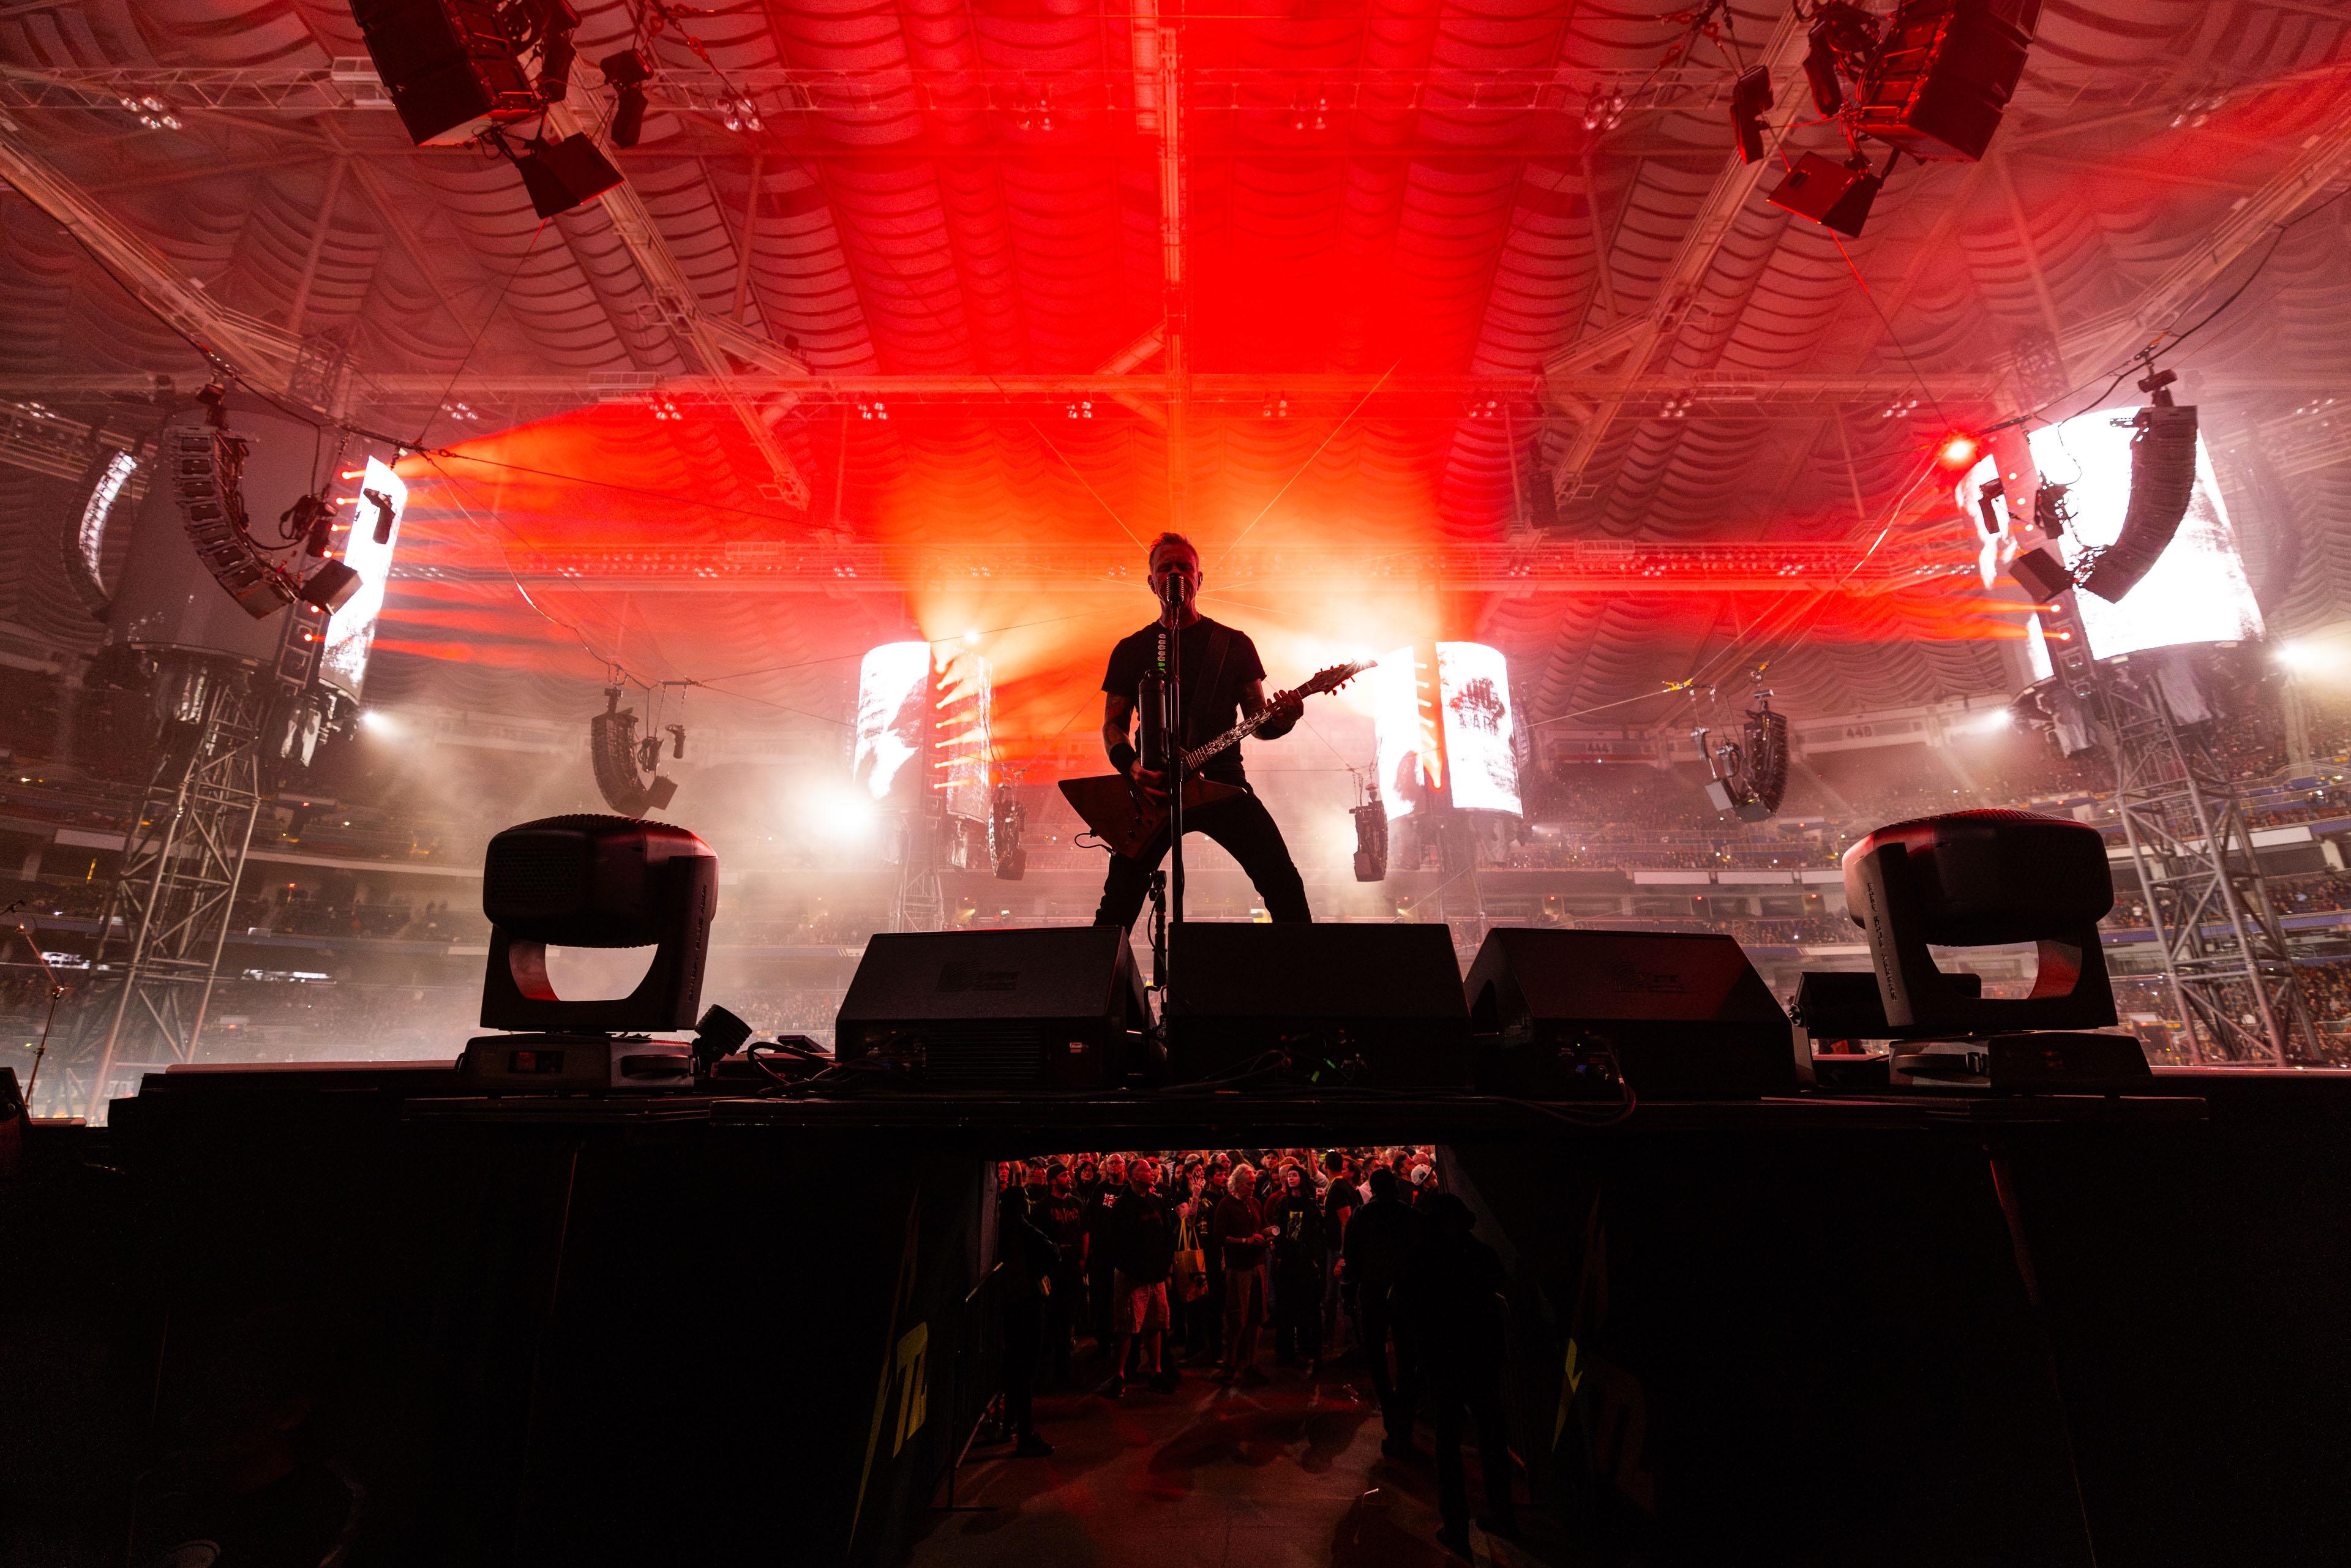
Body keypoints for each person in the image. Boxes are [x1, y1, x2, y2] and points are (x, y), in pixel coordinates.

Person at [1090, 533, 1311, 931]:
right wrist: (1133, 769)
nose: (1176, 573)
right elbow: (1113, 726)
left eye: (1185, 567)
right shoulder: (1131, 649)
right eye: (1166, 567)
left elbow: (1258, 724)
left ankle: (1304, 971)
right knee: (1117, 909)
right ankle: (1099, 974)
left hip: (1223, 782)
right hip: (1152, 790)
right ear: (1151, 582)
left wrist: (1286, 719)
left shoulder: (1234, 645)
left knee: (1284, 886)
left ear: (1199, 578)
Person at [1397, 1192, 1517, 1555]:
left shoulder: (1420, 1257)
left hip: (1442, 1358)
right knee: (1492, 1434)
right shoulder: (1481, 1253)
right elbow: (1499, 1291)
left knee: (1447, 1441)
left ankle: (1455, 1526)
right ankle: (1503, 1514)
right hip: (1482, 1355)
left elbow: (1406, 1306)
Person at [1343, 1166, 1420, 1457]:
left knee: (1377, 1358)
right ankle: (1404, 1422)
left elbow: (1351, 1257)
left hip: (1372, 1291)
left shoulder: (1361, 1215)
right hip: (1404, 1292)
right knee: (1408, 1358)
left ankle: (1391, 1416)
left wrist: (1349, 1294)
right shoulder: (1410, 1215)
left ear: (1372, 1189)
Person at [1102, 1155, 1183, 1397]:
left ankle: (1156, 1372)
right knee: (1126, 1327)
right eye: (1148, 1171)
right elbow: (1116, 1244)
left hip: (1155, 1277)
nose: (1153, 1174)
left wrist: (1164, 1267)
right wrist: (1135, 1270)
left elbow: (1166, 1234)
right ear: (1135, 1176)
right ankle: (1120, 1375)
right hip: (1132, 1277)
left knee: (1156, 1325)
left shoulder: (1155, 1201)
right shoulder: (1122, 1206)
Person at [996, 1163, 1059, 1457]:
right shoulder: (1025, 1231)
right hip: (1028, 1305)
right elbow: (1052, 1254)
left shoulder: (998, 1232)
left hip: (1008, 1306)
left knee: (1012, 1368)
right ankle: (1025, 1433)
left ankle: (1009, 1422)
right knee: (1026, 1371)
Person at [1213, 1163, 1273, 1383]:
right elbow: (1220, 1237)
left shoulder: (1255, 1203)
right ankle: (1230, 1365)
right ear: (1237, 1184)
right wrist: (1245, 1241)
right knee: (1237, 1318)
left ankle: (1251, 1363)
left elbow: (1262, 1226)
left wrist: (1268, 1235)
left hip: (1258, 1265)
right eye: (1249, 1184)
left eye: (1254, 1184)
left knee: (1257, 1317)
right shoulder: (1226, 1205)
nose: (1253, 1187)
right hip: (1239, 1268)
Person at [1268, 1163, 1329, 1375]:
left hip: (1306, 1263)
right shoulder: (1282, 1203)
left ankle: (1307, 1350)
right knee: (1286, 1308)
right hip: (1287, 1262)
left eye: (1294, 1175)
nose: (1291, 1178)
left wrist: (1315, 1259)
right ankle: (1285, 1352)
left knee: (1307, 1309)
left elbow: (1318, 1233)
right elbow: (1278, 1228)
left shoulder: (1311, 1204)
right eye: (1289, 1176)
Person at [1039, 1163, 1089, 1386]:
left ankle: (1065, 1370)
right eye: (1063, 1175)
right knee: (1051, 1320)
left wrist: (1083, 1259)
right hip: (1053, 1269)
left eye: (1068, 1175)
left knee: (1068, 1317)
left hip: (1072, 1268)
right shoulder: (1043, 1207)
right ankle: (1047, 1372)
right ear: (1052, 1180)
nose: (1069, 1178)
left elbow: (1085, 1231)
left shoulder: (1076, 1203)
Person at [1087, 1153, 1128, 1346]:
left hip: (1122, 1254)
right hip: (1101, 1254)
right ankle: (1103, 1339)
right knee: (1101, 1297)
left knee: (1120, 1298)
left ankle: (1121, 1340)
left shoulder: (1129, 1189)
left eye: (1117, 1162)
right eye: (1110, 1162)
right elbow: (1091, 1217)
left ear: (1124, 1166)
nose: (1113, 1165)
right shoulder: (1100, 1189)